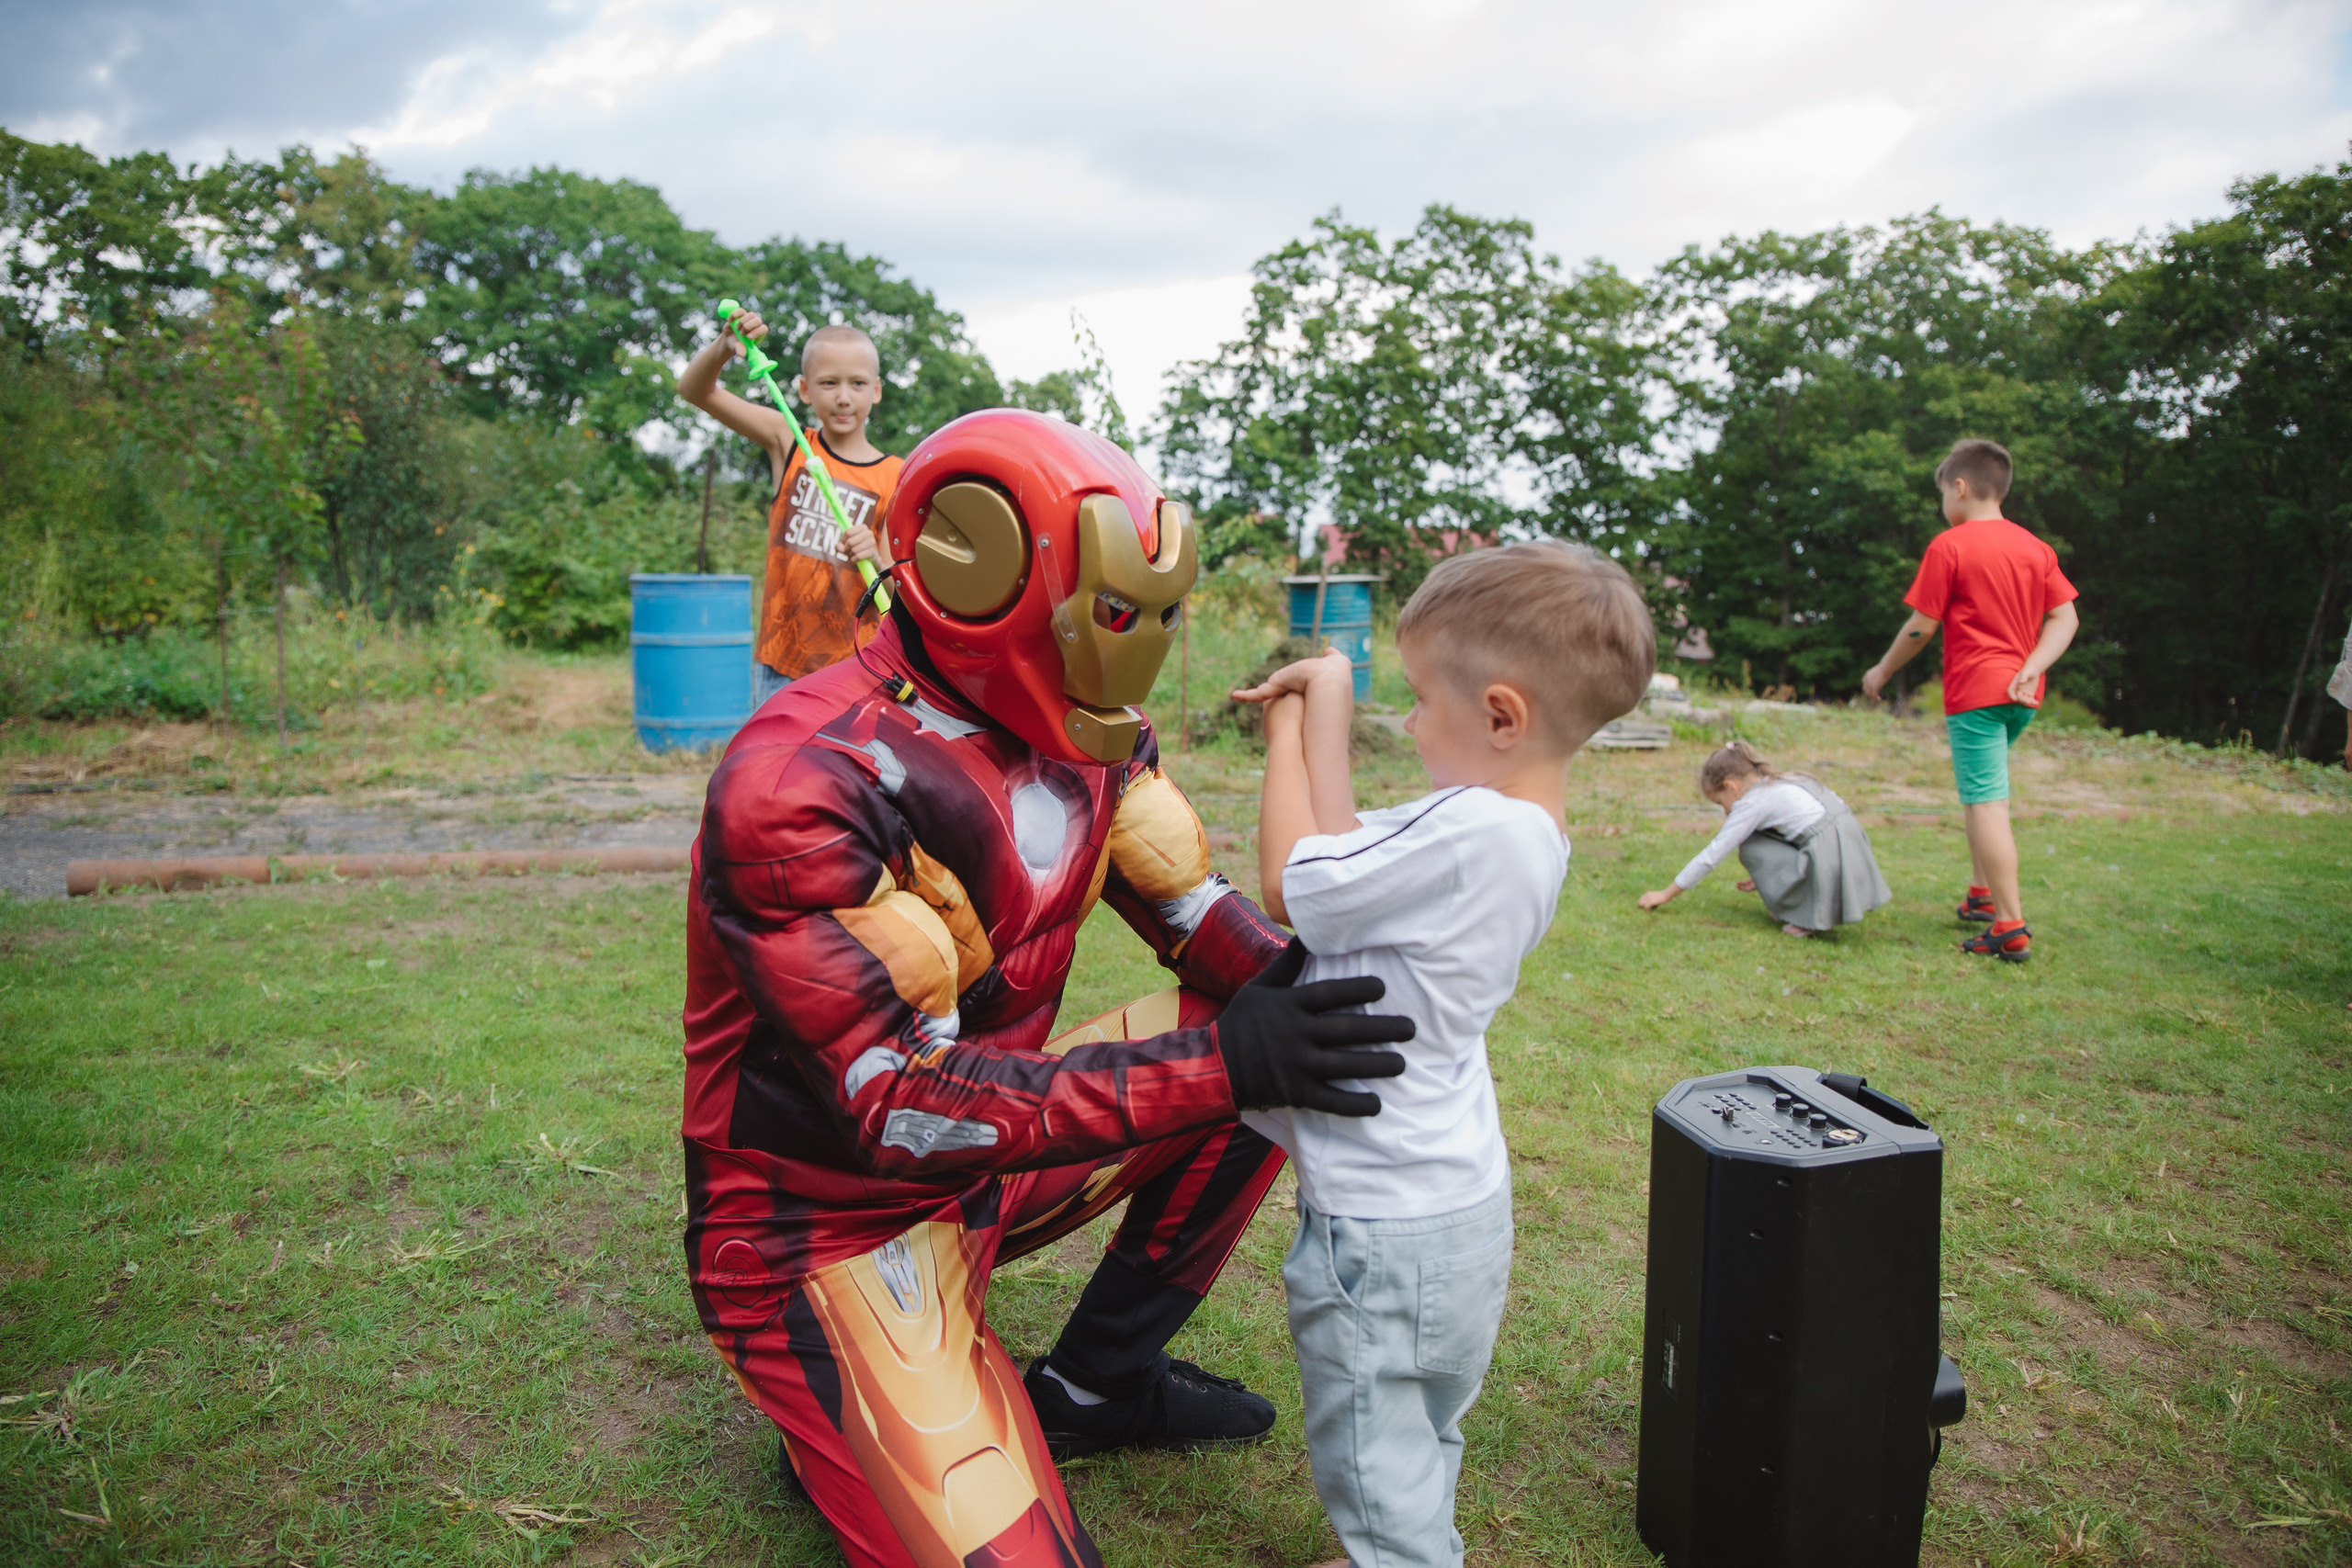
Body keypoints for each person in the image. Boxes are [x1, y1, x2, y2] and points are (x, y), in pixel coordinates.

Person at [682, 409, 1417, 1568]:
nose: (1129, 649)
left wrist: (1334, 998)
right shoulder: (803, 781)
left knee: (1272, 1034)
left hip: (980, 1177)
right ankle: (838, 1391)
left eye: (1150, 618)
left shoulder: (1093, 739)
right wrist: (1231, 1061)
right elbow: (897, 1108)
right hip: (826, 1227)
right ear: (975, 575)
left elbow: (1191, 913)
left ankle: (1092, 1387)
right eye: (1111, 614)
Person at [1229, 541, 1655, 1568]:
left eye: (1419, 700)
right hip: (1449, 1202)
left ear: (1501, 714)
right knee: (1415, 1426)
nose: (1410, 721)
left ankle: (1399, 1556)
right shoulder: (1517, 828)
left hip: (1384, 1220)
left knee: (1371, 1444)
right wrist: (1328, 690)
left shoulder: (1472, 829)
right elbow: (1340, 860)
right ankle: (1394, 1543)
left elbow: (1291, 880)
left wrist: (1290, 724)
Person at [1862, 438, 2078, 964]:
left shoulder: (1951, 545)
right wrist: (2032, 666)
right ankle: (1982, 895)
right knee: (1987, 794)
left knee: (1986, 803)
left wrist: (1882, 670)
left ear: (1959, 488)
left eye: (1942, 494)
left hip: (1977, 693)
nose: (1943, 505)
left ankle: (2010, 925)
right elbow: (2066, 618)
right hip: (2022, 696)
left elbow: (1921, 627)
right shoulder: (2036, 548)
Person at [676, 314, 900, 707]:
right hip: (783, 665)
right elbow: (695, 391)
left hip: (860, 670)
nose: (843, 397)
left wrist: (872, 555)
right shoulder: (790, 441)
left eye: (858, 384)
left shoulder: (897, 476)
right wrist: (724, 345)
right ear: (804, 389)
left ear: (877, 391)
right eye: (829, 383)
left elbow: (894, 593)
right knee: (776, 768)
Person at [1634, 739, 1891, 935]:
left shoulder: (1753, 802)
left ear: (1731, 787)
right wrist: (1768, 875)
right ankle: (1793, 903)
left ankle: (1808, 920)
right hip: (1849, 839)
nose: (1724, 810)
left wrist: (1665, 894)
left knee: (1748, 842)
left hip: (1830, 850)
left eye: (1720, 802)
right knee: (1755, 839)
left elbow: (1712, 855)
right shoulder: (1780, 781)